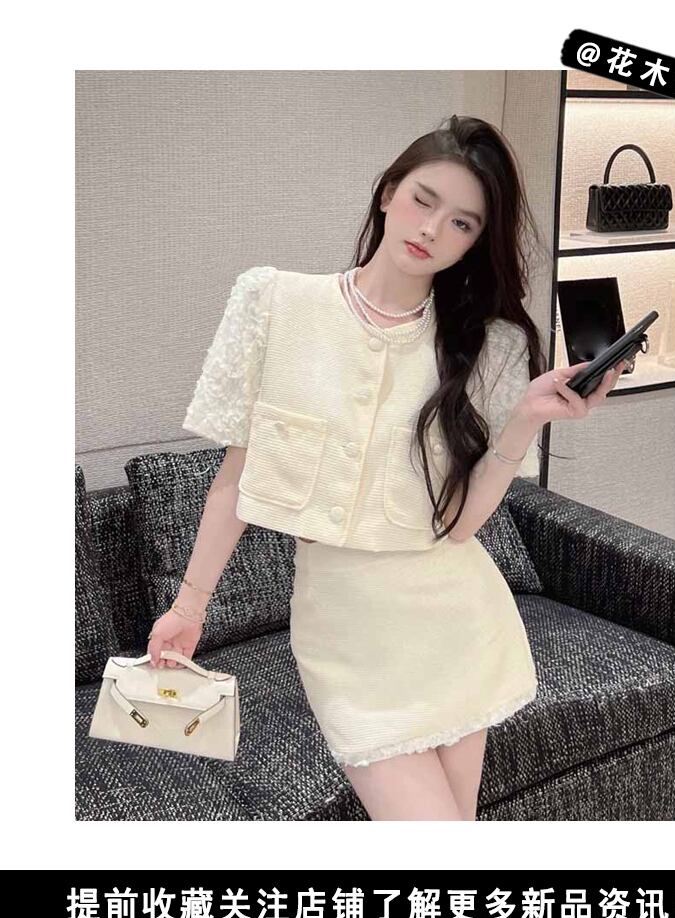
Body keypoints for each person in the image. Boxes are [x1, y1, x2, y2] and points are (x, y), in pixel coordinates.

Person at [148, 114, 627, 821]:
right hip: (347, 638)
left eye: (462, 223)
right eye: (423, 200)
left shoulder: (485, 347)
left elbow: (461, 526)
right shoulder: (277, 305)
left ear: (474, 243)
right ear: (387, 193)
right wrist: (189, 607)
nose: (432, 229)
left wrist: (525, 418)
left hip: (457, 624)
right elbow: (235, 482)